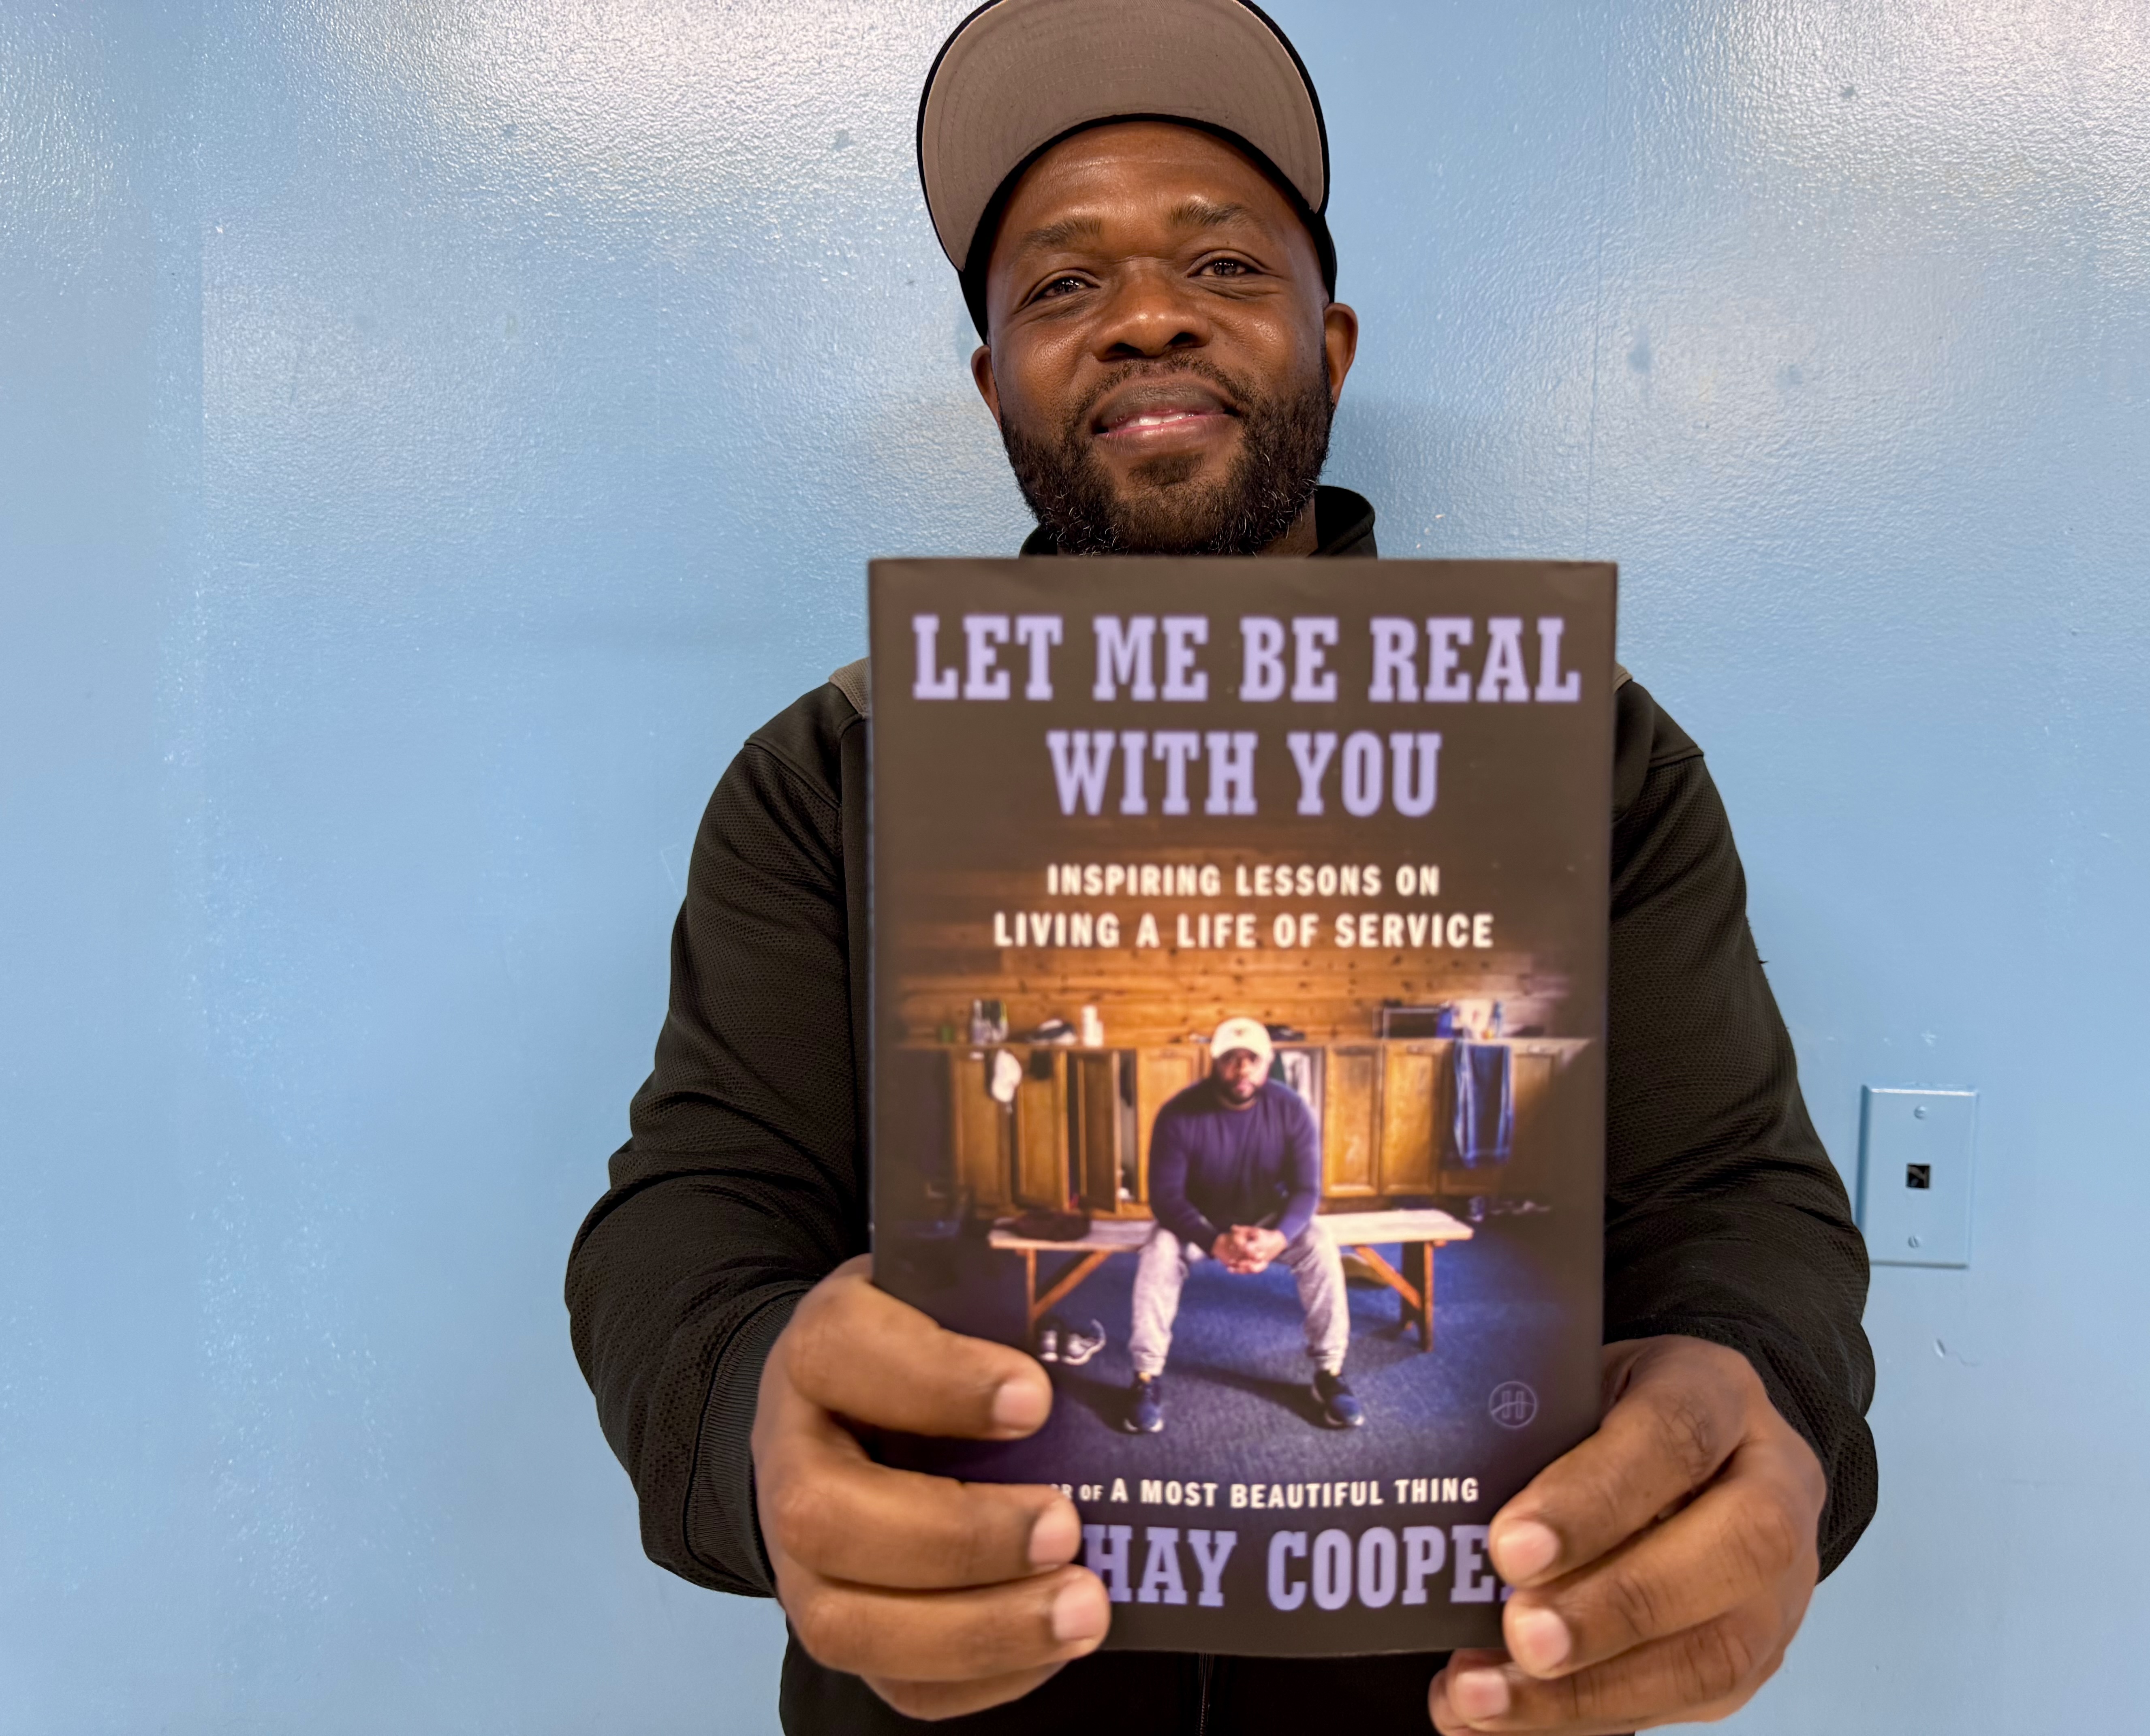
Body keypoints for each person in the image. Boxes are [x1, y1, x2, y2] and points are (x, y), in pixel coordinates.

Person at [564, 0, 1876, 1729]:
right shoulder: (832, 770)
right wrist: (754, 1430)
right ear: (990, 385)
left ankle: (1330, 1383)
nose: (1148, 315)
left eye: (1224, 267)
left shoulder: (1583, 751)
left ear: (1328, 344)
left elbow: (1733, 1195)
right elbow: (696, 1203)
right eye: (1057, 285)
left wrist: (1759, 1417)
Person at [1125, 1017, 1357, 1435]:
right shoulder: (1179, 1113)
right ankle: (1145, 1377)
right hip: (1200, 1222)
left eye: (1252, 1059)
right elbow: (1165, 1198)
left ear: (1267, 1063)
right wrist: (1213, 1240)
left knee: (1321, 1239)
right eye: (1232, 1059)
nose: (1242, 1069)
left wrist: (1279, 1236)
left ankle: (1330, 1372)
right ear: (1215, 1063)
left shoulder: (1291, 1110)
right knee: (1158, 1248)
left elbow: (1308, 1190)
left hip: (1268, 1221)